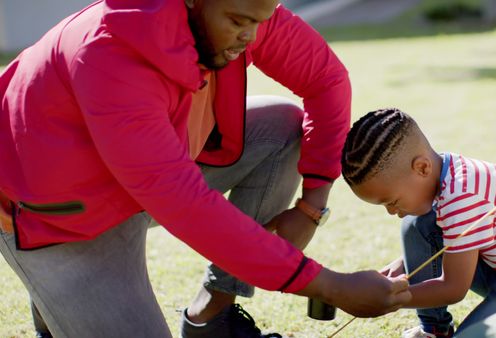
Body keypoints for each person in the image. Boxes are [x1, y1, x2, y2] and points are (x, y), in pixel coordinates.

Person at [0, 0, 412, 337]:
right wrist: (332, 286)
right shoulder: (110, 54)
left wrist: (312, 205)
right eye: (238, 22)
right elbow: (184, 205)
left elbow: (326, 79)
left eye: (260, 20)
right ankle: (56, 307)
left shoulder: (237, 11)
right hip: (56, 218)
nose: (249, 35)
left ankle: (211, 319)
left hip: (147, 173)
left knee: (281, 129)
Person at [340, 108, 496, 338]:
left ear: (422, 167)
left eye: (392, 201)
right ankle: (434, 330)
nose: (391, 211)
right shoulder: (441, 171)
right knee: (416, 224)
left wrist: (390, 299)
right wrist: (406, 266)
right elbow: (451, 237)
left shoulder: (462, 195)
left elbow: (454, 288)